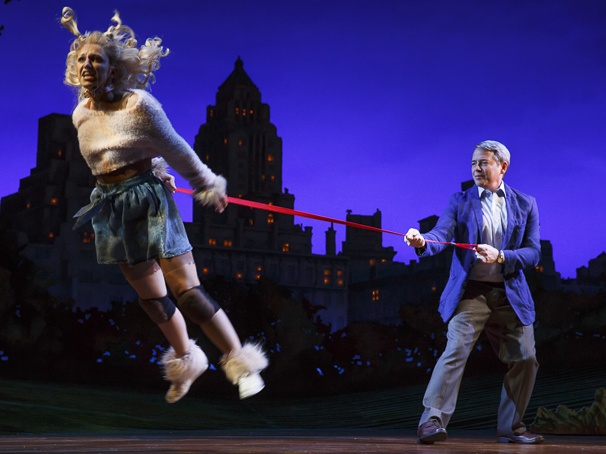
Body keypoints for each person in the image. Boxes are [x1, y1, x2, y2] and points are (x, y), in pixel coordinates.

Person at [61, 7, 267, 403]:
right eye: (82, 59)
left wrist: (207, 184)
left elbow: (175, 147)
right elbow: (112, 155)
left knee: (186, 293)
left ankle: (241, 364)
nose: (88, 65)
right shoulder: (80, 114)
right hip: (112, 208)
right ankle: (188, 360)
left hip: (149, 202)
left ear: (113, 69)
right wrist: (153, 164)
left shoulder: (139, 104)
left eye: (97, 60)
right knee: (153, 301)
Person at [404, 140, 544, 444]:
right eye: (473, 164)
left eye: (483, 163)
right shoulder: (460, 201)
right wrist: (422, 242)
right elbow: (441, 235)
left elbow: (533, 253)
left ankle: (511, 428)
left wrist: (502, 256)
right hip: (471, 293)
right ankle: (431, 421)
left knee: (526, 358)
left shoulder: (526, 203)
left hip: (510, 295)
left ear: (502, 167)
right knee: (455, 350)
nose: (477, 168)